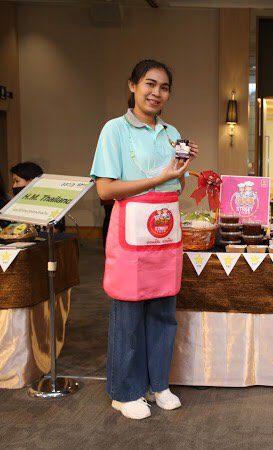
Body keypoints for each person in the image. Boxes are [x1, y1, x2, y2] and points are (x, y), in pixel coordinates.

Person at [90, 59, 199, 420]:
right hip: (130, 230)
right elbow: (105, 190)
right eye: (150, 84)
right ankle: (124, 392)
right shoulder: (114, 130)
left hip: (164, 229)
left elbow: (175, 185)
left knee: (164, 311)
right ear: (132, 85)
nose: (156, 93)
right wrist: (159, 178)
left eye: (164, 87)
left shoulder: (171, 133)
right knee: (129, 312)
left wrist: (179, 171)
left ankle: (158, 384)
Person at [10, 161, 66, 233]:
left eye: (17, 181)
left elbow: (54, 231)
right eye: (13, 182)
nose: (14, 186)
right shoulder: (14, 205)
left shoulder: (52, 203)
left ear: (32, 181)